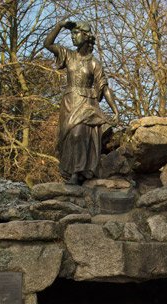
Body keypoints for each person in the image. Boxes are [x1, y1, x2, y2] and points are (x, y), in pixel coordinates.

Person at [44, 20, 120, 185]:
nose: (73, 37)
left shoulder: (94, 63)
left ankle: (77, 173)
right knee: (68, 138)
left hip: (87, 104)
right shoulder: (68, 55)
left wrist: (115, 110)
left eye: (76, 33)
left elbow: (104, 87)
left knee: (79, 134)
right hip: (69, 102)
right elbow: (47, 44)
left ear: (86, 37)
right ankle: (74, 172)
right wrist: (59, 26)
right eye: (72, 33)